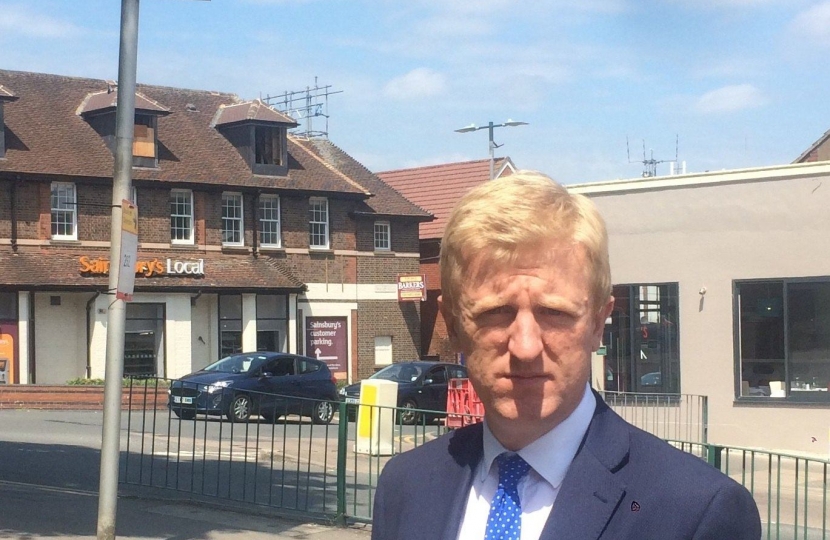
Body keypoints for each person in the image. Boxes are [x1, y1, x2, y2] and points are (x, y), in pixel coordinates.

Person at [371, 171, 761, 540]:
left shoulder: (696, 511)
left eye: (554, 314)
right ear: (453, 325)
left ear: (597, 324)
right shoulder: (406, 485)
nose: (525, 347)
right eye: (495, 313)